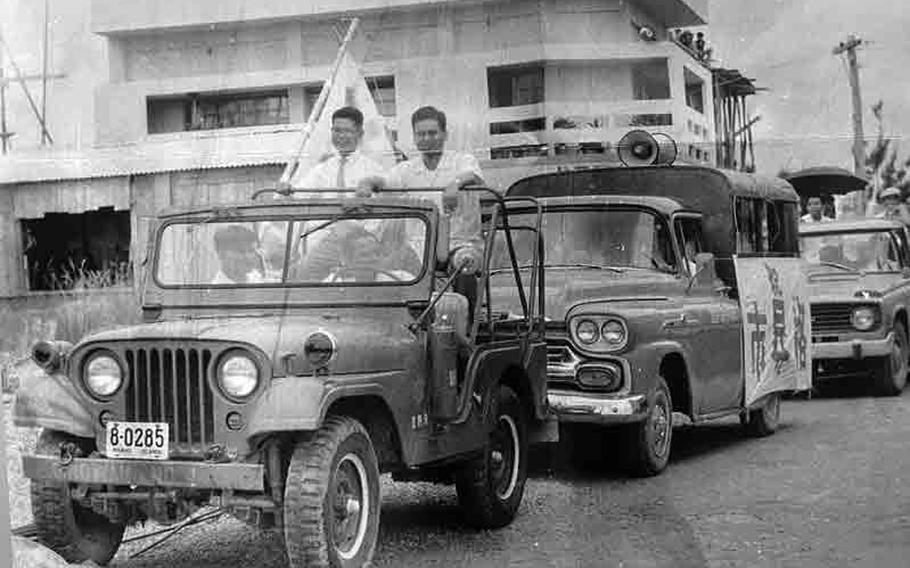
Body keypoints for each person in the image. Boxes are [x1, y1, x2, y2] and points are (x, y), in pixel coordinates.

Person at [359, 106, 487, 316]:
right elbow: (385, 181)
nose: (427, 139)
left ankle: (469, 325)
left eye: (432, 133)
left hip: (459, 244)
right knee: (382, 269)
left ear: (444, 134)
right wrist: (366, 182)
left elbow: (472, 175)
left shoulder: (461, 160)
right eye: (421, 134)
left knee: (465, 264)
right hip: (419, 250)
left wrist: (455, 185)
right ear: (415, 137)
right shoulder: (407, 169)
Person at [292, 106, 387, 193]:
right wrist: (287, 190)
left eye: (347, 131)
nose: (341, 136)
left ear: (360, 133)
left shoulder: (373, 168)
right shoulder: (322, 169)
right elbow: (298, 193)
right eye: (337, 130)